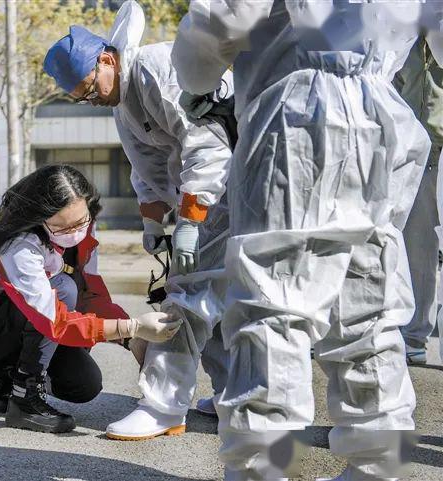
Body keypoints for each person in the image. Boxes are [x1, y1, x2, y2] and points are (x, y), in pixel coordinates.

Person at [173, 2, 443, 480]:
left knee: (274, 302)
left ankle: (262, 468)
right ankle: (379, 466)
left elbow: (227, 17)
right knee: (370, 301)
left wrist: (196, 76)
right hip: (386, 115)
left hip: (296, 111)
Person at [43, 0, 234, 441]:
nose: (91, 100)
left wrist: (189, 218)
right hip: (210, 197)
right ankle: (231, 396)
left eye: (90, 88)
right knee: (220, 301)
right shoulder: (123, 101)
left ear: (107, 59)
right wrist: (153, 224)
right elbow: (147, 168)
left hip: (226, 187)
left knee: (188, 293)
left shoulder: (156, 68)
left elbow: (207, 146)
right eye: (82, 98)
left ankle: (164, 405)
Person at [0, 164, 182, 434]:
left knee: (83, 384)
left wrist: (130, 339)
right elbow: (55, 322)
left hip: (24, 319)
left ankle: (2, 371)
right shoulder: (16, 242)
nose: (75, 232)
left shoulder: (78, 217)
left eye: (81, 222)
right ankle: (24, 399)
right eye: (62, 227)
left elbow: (90, 290)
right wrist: (132, 327)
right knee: (64, 287)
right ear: (38, 217)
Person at [393, 38, 443, 365]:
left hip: (437, 138)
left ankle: (416, 334)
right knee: (413, 236)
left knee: (425, 239)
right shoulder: (404, 20)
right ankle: (410, 332)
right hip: (410, 140)